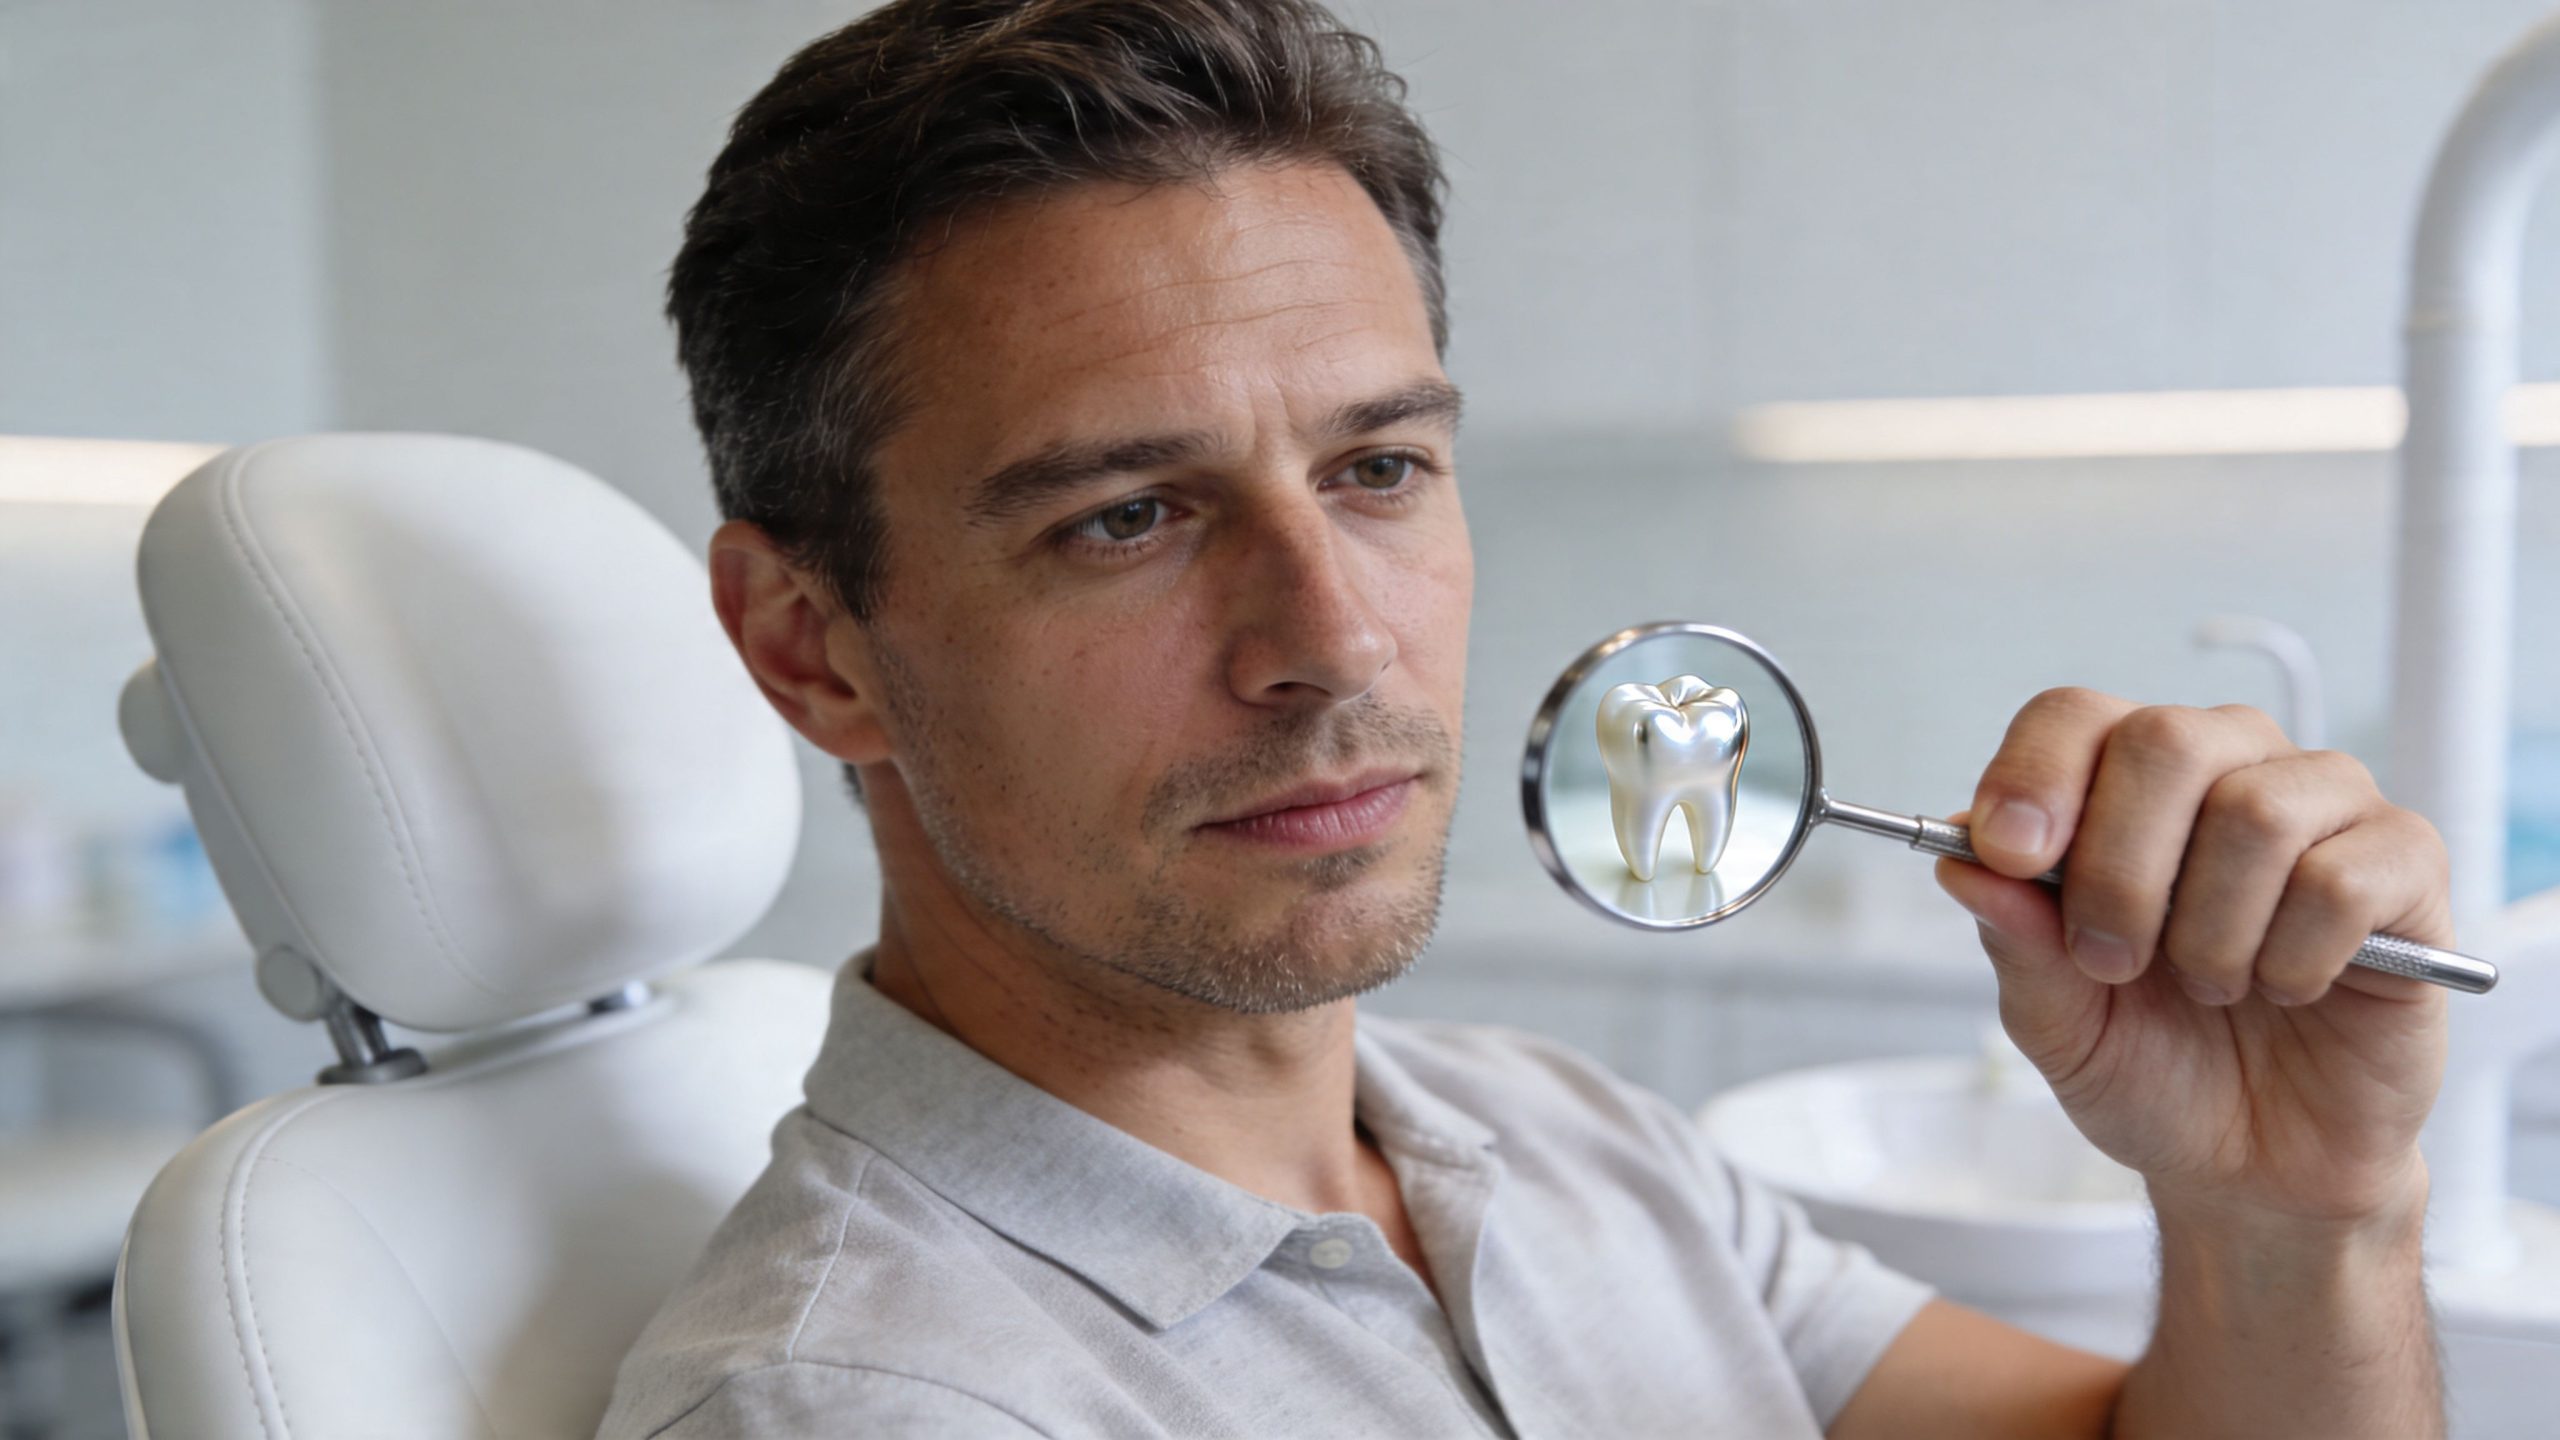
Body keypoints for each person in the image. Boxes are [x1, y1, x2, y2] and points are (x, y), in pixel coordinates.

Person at [599, 2, 2453, 1435]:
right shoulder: (871, 1401)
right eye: (1125, 518)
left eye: (1379, 467)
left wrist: (2298, 1220)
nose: (1332, 642)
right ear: (810, 649)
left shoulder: (1557, 1141)